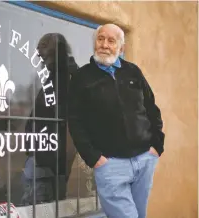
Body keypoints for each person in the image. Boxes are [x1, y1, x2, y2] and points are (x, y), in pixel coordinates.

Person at [68, 23, 165, 218]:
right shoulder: (82, 77)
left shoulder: (133, 72)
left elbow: (151, 108)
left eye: (111, 41)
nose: (104, 44)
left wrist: (157, 145)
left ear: (121, 48)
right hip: (110, 165)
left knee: (139, 215)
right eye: (100, 39)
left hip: (144, 159)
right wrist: (94, 158)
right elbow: (75, 120)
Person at [21, 33, 79, 205]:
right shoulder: (53, 77)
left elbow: (71, 123)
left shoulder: (66, 78)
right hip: (42, 159)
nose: (38, 51)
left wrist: (65, 165)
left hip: (49, 163)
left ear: (58, 49)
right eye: (38, 46)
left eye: (44, 45)